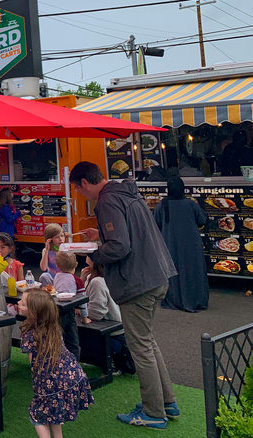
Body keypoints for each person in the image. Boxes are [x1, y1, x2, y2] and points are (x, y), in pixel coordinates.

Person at [70, 160, 178, 429]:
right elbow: (126, 235)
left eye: (78, 190)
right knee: (147, 342)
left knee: (140, 346)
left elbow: (119, 246)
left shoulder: (107, 202)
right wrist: (100, 237)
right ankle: (165, 402)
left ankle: (154, 412)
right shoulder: (126, 192)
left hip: (136, 282)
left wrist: (93, 254)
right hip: (157, 274)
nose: (81, 195)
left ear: (84, 183)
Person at [18, 289, 94, 438]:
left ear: (34, 313)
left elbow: (34, 365)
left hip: (50, 382)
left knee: (37, 415)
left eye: (23, 303)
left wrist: (39, 386)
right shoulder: (54, 328)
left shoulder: (29, 335)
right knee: (54, 412)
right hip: (73, 376)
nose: (18, 303)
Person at [152, 176, 209, 312]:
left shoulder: (162, 205)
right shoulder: (190, 204)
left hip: (170, 244)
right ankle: (196, 300)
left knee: (174, 273)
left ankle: (175, 300)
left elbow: (155, 224)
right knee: (193, 272)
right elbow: (202, 220)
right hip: (192, 245)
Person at [81, 257, 136, 375]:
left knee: (75, 329)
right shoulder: (97, 277)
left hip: (112, 330)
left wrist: (81, 311)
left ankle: (111, 358)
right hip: (121, 326)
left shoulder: (97, 281)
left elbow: (97, 312)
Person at [52, 251, 87, 360]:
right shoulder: (78, 280)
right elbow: (82, 300)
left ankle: (58, 363)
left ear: (57, 266)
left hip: (56, 311)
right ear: (76, 264)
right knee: (72, 341)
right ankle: (75, 365)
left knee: (59, 339)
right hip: (69, 311)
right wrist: (84, 317)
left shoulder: (57, 276)